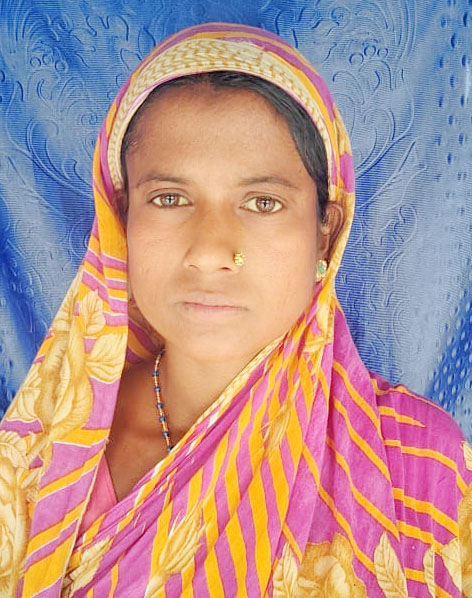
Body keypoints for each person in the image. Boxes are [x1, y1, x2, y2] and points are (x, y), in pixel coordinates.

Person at [0, 22, 471, 598]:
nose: (209, 252)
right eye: (169, 198)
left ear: (325, 232)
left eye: (263, 203)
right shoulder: (40, 453)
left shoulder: (419, 465)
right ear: (121, 222)